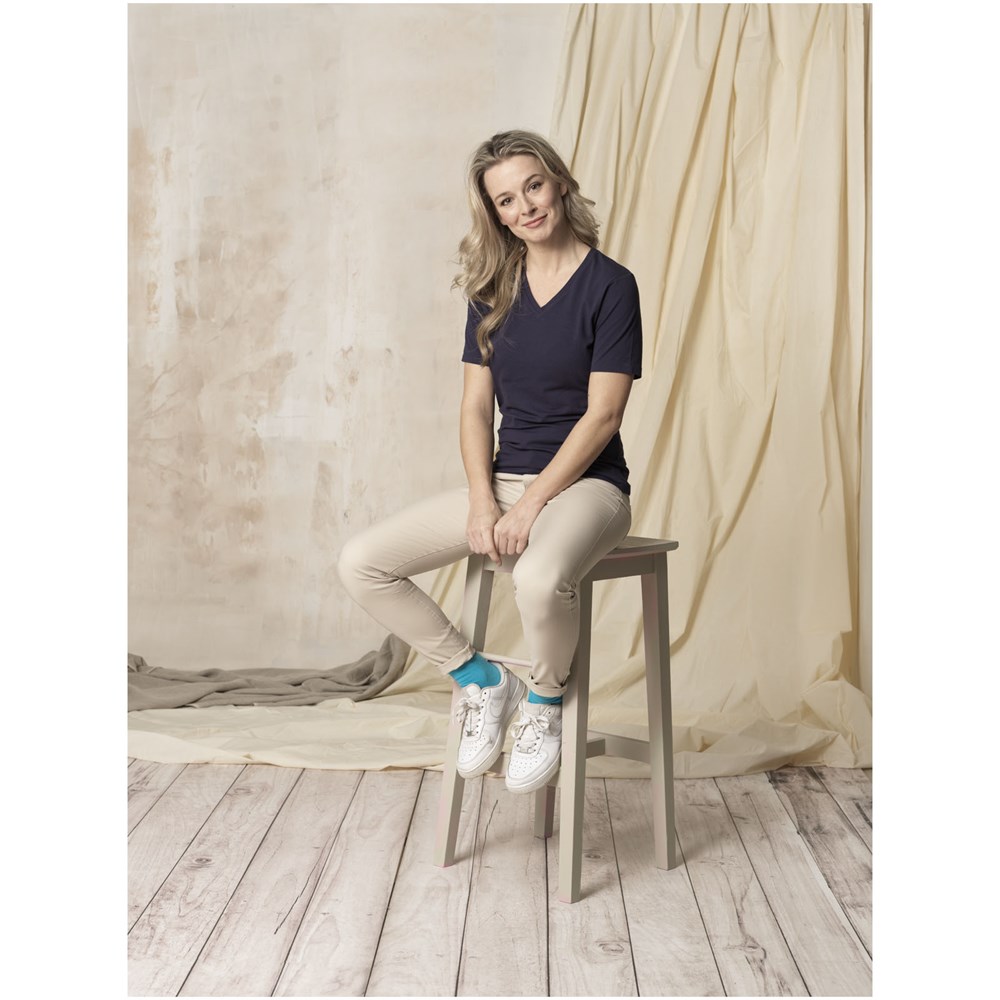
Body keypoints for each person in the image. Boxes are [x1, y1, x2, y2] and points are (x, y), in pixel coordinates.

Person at [338, 129, 642, 794]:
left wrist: (530, 505)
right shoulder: (492, 289)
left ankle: (544, 702)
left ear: (559, 182)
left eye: (533, 186)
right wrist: (484, 499)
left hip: (589, 487)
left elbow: (604, 416)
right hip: (504, 479)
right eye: (507, 200)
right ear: (495, 214)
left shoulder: (612, 286)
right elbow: (476, 408)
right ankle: (481, 679)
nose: (525, 206)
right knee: (362, 562)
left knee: (537, 577)